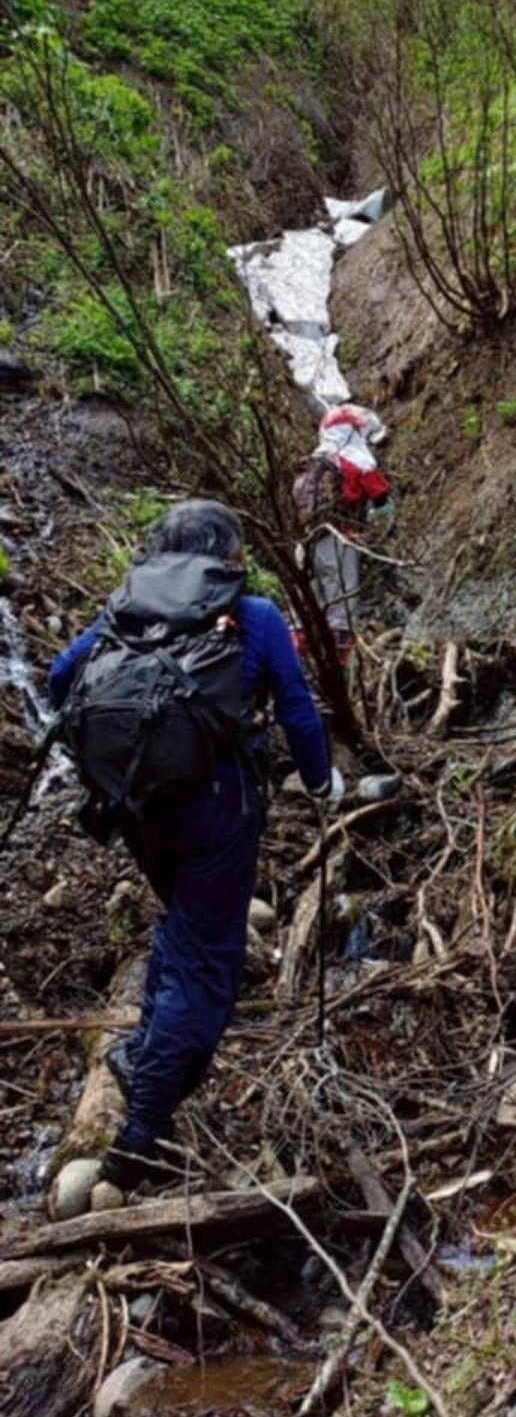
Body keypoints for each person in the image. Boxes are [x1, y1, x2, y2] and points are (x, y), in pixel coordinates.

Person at [48, 499, 343, 1192]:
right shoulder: (253, 614)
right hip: (218, 809)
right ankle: (143, 1132)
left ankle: (141, 1056)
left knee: (184, 930)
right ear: (227, 553)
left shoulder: (126, 609)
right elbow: (298, 709)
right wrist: (320, 781)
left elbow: (62, 677)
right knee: (207, 961)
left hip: (137, 807)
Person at [293, 403, 395, 662]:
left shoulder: (311, 464)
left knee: (309, 605)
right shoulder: (355, 462)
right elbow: (381, 498)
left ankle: (301, 663)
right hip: (338, 540)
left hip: (305, 543)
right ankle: (341, 666)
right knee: (341, 609)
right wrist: (380, 516)